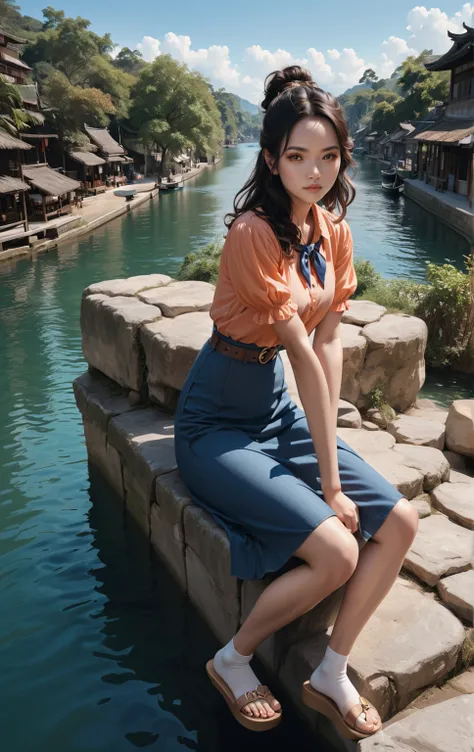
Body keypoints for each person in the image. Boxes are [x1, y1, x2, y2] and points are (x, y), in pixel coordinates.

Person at [174, 65, 418, 740]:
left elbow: (329, 343)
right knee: (338, 552)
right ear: (271, 159)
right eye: (297, 157)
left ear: (343, 155)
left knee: (399, 523)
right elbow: (299, 349)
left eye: (329, 156)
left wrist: (328, 451)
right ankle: (232, 658)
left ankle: (331, 672)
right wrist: (331, 481)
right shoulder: (254, 232)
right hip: (217, 422)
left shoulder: (334, 231)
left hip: (276, 410)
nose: (315, 172)